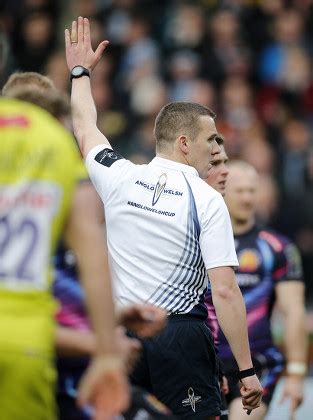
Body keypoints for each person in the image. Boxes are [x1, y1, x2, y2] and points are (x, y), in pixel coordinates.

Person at [64, 16, 263, 419]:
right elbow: (224, 291)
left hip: (126, 337)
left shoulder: (120, 175)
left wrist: (80, 74)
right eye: (212, 139)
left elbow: (85, 128)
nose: (216, 148)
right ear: (185, 143)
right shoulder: (206, 200)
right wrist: (246, 369)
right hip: (180, 335)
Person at [2, 70, 168, 419]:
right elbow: (92, 253)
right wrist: (105, 350)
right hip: (26, 347)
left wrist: (113, 317)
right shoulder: (53, 147)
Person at [206, 160, 308, 420]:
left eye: (252, 190)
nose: (247, 197)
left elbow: (293, 311)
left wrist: (296, 373)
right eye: (239, 190)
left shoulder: (278, 247)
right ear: (222, 190)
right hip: (207, 364)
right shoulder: (200, 242)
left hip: (258, 362)